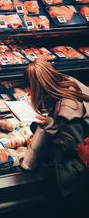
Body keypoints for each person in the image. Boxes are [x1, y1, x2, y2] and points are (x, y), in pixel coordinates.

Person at [22, 59, 89, 215]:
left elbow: (73, 148)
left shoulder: (68, 114)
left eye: (30, 89)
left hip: (76, 180)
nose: (28, 92)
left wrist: (47, 125)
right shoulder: (68, 82)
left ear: (37, 87)